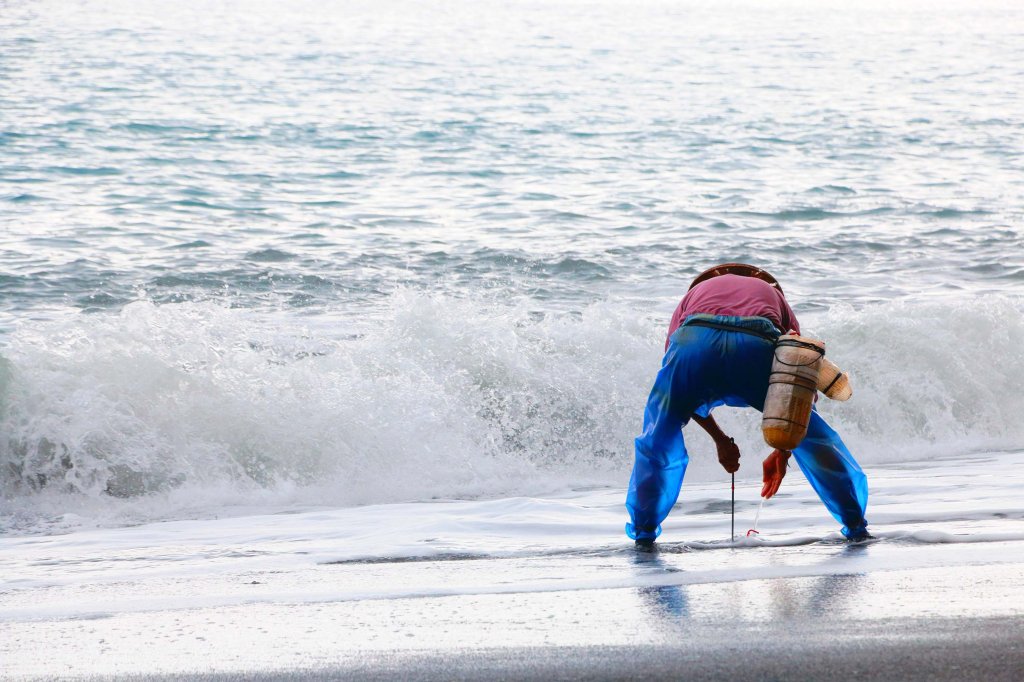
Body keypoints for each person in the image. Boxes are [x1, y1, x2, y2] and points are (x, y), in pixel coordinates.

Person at [626, 263, 870, 548]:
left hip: (696, 342)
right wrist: (783, 449)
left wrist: (720, 440)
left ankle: (644, 534)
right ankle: (855, 526)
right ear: (758, 277)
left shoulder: (690, 296)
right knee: (814, 438)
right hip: (755, 347)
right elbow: (797, 372)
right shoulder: (771, 292)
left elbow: (677, 380)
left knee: (659, 434)